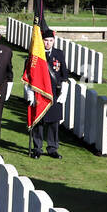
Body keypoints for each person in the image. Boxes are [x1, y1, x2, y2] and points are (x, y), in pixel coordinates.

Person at [28, 27, 67, 159]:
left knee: (54, 122)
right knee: (38, 121)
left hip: (55, 93)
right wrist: (29, 93)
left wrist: (64, 92)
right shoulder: (36, 54)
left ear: (54, 41)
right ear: (42, 41)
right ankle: (37, 148)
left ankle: (52, 148)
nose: (48, 43)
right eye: (45, 40)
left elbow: (64, 74)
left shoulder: (59, 54)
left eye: (51, 40)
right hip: (40, 93)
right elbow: (29, 75)